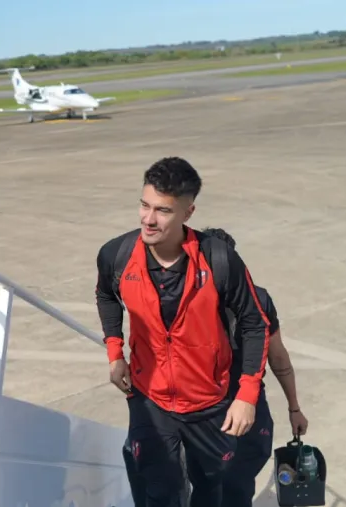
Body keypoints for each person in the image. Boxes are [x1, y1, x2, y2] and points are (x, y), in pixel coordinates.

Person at [95, 156, 273, 507]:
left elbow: (256, 323)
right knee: (161, 491)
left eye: (162, 211)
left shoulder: (219, 259)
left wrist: (247, 395)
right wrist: (115, 353)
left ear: (187, 213)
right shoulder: (116, 255)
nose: (148, 219)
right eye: (144, 205)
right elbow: (105, 295)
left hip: (210, 402)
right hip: (151, 399)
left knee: (210, 489)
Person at [198, 228, 309, 507]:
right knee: (235, 488)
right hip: (245, 414)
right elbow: (279, 358)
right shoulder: (258, 298)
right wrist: (293, 407)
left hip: (213, 415)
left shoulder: (185, 298)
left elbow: (278, 358)